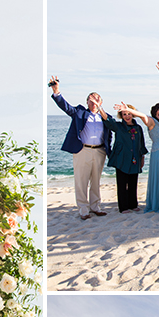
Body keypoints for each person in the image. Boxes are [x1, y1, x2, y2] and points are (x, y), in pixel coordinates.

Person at [49, 76, 112, 220]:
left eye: (96, 99)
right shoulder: (79, 112)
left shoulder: (104, 116)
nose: (94, 101)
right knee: (81, 181)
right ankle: (83, 209)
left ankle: (95, 207)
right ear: (87, 102)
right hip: (83, 150)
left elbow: (112, 126)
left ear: (101, 102)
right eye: (91, 99)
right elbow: (66, 107)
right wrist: (57, 92)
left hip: (100, 151)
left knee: (96, 181)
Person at [122, 83, 159, 212]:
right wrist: (129, 110)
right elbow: (141, 115)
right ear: (155, 111)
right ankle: (158, 203)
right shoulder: (151, 121)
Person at [103, 103, 148, 212]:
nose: (127, 116)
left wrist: (142, 158)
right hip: (121, 159)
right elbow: (107, 120)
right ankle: (123, 207)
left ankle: (133, 205)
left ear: (133, 114)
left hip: (135, 159)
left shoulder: (138, 128)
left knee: (133, 183)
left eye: (129, 113)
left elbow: (141, 144)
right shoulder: (118, 126)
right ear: (121, 116)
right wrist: (99, 107)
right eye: (124, 114)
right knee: (122, 184)